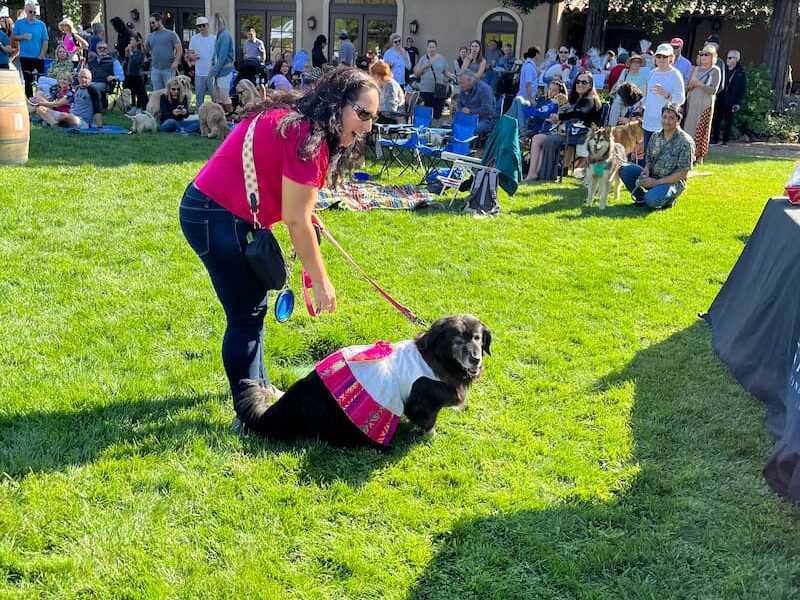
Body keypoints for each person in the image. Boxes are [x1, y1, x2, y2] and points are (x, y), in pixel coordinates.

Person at [179, 67, 379, 400]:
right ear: (336, 104)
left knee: (250, 312)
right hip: (216, 214)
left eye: (373, 117)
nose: (367, 126)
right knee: (246, 315)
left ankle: (259, 389)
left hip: (211, 207)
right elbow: (295, 219)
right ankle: (249, 411)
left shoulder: (299, 119)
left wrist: (305, 217)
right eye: (361, 113)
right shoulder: (307, 137)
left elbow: (292, 200)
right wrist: (321, 281)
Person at [524, 70, 602, 182]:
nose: (580, 84)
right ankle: (533, 173)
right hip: (570, 132)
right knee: (537, 138)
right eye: (578, 81)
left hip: (582, 135)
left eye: (584, 82)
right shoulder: (575, 99)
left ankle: (545, 175)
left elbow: (580, 113)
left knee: (548, 140)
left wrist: (560, 117)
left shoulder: (590, 100)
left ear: (590, 85)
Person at [619, 103, 694, 209]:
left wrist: (656, 183)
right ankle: (641, 199)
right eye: (664, 117)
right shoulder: (655, 135)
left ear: (679, 120)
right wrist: (646, 170)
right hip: (653, 177)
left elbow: (683, 173)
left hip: (671, 183)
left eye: (671, 118)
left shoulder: (686, 141)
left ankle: (669, 199)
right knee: (624, 169)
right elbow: (649, 159)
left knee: (651, 200)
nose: (666, 121)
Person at [641, 43, 685, 151]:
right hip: (648, 121)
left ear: (671, 58)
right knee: (648, 154)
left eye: (665, 56)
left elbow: (681, 99)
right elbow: (648, 96)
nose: (661, 59)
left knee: (661, 156)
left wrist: (666, 95)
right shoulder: (652, 73)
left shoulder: (675, 74)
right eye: (658, 56)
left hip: (665, 123)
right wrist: (640, 104)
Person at [683, 44, 721, 163]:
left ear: (713, 57)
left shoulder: (715, 70)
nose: (704, 57)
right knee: (689, 127)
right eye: (702, 54)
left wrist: (699, 84)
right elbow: (688, 87)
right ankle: (688, 153)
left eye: (707, 55)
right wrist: (690, 86)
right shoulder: (696, 69)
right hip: (692, 102)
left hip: (705, 103)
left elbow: (714, 90)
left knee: (702, 128)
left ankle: (699, 156)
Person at [34, 68, 102, 129]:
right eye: (81, 77)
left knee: (65, 116)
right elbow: (53, 100)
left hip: (82, 121)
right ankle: (54, 123)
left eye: (85, 78)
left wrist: (100, 126)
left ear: (90, 79)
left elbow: (97, 109)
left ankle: (51, 121)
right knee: (40, 109)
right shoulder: (77, 88)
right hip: (70, 115)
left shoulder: (92, 90)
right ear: (78, 78)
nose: (83, 79)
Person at [11, 1, 48, 98]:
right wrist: (23, 36)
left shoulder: (41, 24)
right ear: (26, 11)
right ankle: (30, 100)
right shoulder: (19, 23)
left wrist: (41, 55)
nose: (33, 14)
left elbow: (45, 41)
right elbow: (14, 37)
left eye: (35, 12)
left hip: (38, 57)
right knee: (28, 81)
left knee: (41, 81)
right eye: (31, 12)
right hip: (25, 56)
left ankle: (41, 100)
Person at [711, 49, 746, 146]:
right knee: (717, 119)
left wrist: (738, 102)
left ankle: (725, 140)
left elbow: (742, 88)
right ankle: (714, 138)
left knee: (728, 121)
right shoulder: (723, 69)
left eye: (730, 58)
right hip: (721, 98)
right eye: (727, 57)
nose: (727, 59)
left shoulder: (740, 72)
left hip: (732, 100)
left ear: (736, 59)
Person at [413, 39, 451, 123]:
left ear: (436, 48)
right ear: (427, 48)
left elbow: (446, 72)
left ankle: (435, 129)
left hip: (438, 90)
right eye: (430, 47)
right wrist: (423, 66)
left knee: (437, 113)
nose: (432, 49)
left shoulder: (441, 59)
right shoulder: (423, 59)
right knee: (425, 113)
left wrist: (452, 77)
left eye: (433, 47)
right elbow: (416, 74)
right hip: (425, 90)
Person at [608, 52, 647, 126]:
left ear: (640, 64)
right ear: (630, 63)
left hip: (631, 108)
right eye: (634, 62)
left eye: (638, 62)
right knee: (612, 128)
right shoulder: (624, 72)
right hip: (618, 103)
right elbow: (619, 86)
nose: (636, 64)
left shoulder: (643, 78)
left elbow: (642, 96)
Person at [146, 12, 182, 91]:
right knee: (157, 93)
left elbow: (179, 49)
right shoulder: (150, 36)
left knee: (170, 92)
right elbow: (146, 50)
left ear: (159, 21)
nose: (152, 25)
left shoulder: (171, 34)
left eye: (153, 22)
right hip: (155, 69)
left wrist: (176, 62)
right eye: (150, 23)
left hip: (168, 69)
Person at [455, 70, 496, 135]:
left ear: (470, 81)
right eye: (459, 83)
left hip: (484, 119)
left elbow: (487, 109)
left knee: (470, 131)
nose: (460, 85)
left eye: (462, 83)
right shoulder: (464, 88)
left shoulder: (484, 89)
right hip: (468, 117)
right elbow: (459, 103)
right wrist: (461, 109)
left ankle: (470, 144)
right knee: (453, 127)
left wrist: (471, 111)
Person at [209, 11, 234, 114]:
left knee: (224, 97)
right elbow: (217, 55)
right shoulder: (221, 35)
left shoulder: (225, 36)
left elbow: (222, 57)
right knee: (219, 98)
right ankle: (221, 119)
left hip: (225, 71)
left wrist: (213, 71)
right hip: (221, 71)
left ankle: (232, 118)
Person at [189, 16, 215, 106]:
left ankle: (216, 116)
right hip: (199, 72)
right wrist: (192, 57)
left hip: (212, 72)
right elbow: (190, 53)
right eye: (199, 26)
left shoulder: (214, 38)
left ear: (207, 25)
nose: (201, 28)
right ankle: (199, 117)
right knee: (199, 99)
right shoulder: (194, 38)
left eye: (203, 25)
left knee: (215, 97)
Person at [124, 34, 148, 109]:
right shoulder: (130, 51)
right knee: (131, 91)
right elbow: (127, 61)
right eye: (130, 40)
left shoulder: (140, 52)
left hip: (137, 75)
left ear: (137, 42)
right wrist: (127, 52)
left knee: (139, 92)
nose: (130, 42)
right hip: (129, 74)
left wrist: (131, 52)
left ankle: (140, 106)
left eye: (132, 40)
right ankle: (131, 105)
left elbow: (135, 61)